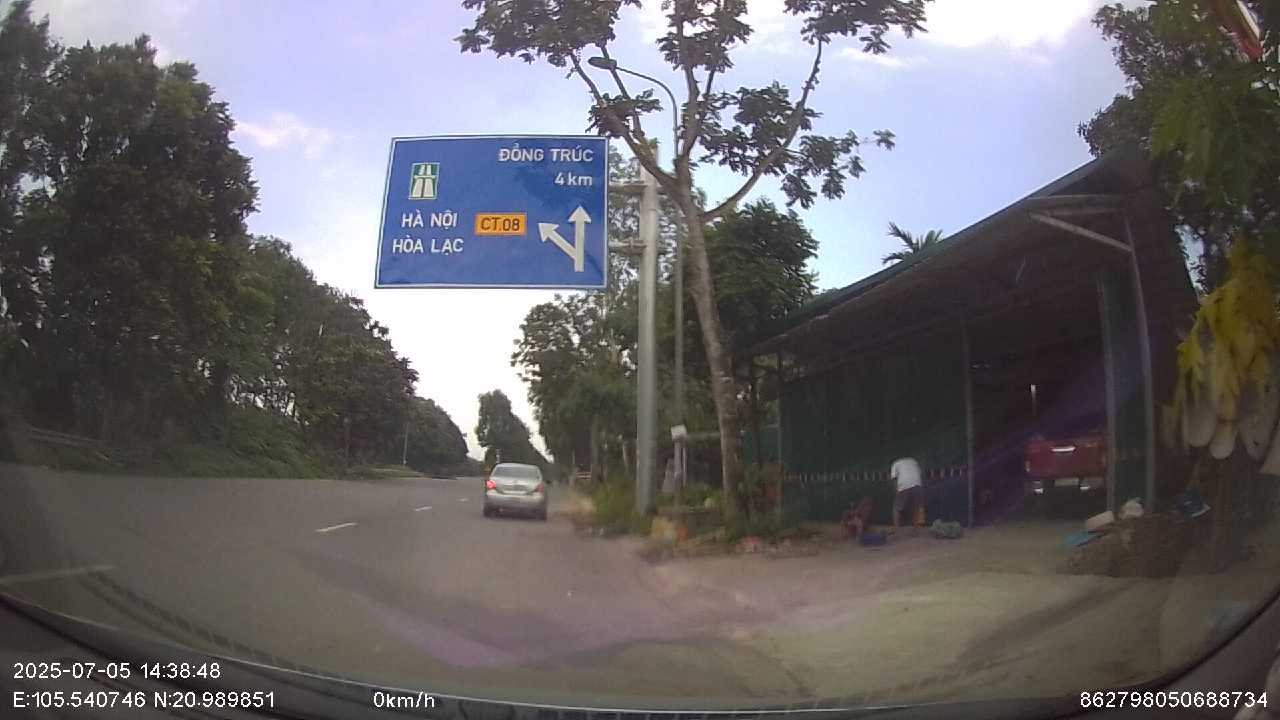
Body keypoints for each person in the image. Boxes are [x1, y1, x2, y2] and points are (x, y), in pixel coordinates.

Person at [890, 456, 923, 535]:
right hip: (917, 484)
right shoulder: (913, 461)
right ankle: (915, 530)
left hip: (904, 484)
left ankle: (896, 531)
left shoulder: (895, 463)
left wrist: (897, 491)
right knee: (916, 507)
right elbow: (919, 474)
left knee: (896, 508)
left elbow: (894, 479)